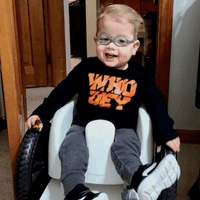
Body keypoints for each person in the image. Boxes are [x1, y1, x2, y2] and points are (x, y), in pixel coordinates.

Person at [27, 4, 181, 200]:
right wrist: (41, 113)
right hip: (82, 125)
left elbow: (155, 102)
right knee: (71, 147)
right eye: (105, 39)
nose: (111, 46)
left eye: (121, 41)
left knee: (126, 148)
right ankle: (76, 193)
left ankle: (140, 179)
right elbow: (62, 92)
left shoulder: (140, 75)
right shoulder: (86, 67)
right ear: (95, 40)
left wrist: (165, 133)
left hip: (124, 128)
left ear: (135, 47)